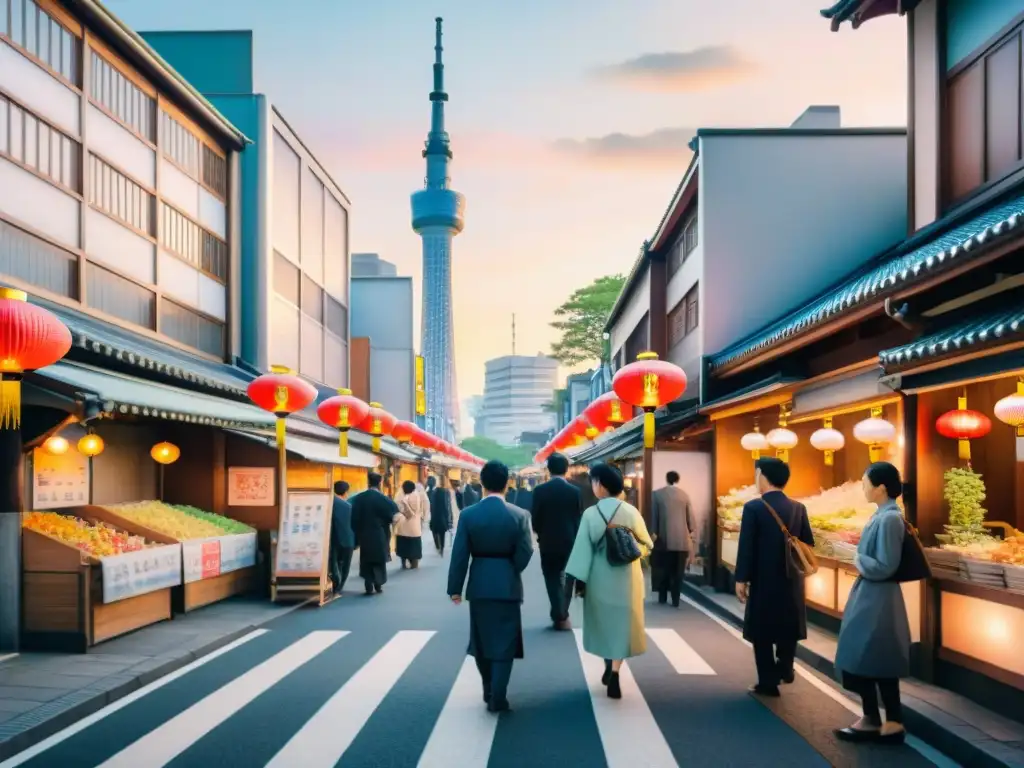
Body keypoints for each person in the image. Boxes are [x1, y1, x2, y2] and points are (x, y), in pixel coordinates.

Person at [833, 462, 911, 744]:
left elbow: (886, 565)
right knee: (872, 657)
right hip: (872, 595)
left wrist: (854, 555)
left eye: (866, 483)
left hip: (877, 598)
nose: (863, 488)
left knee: (870, 656)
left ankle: (880, 720)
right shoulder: (883, 515)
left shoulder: (890, 519)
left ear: (881, 488)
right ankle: (884, 721)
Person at [447, 460, 534, 713]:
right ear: (507, 483)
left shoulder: (469, 515)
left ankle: (487, 687)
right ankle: (499, 694)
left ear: (482, 484)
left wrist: (455, 588)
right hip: (507, 585)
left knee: (481, 641)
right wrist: (511, 567)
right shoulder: (519, 515)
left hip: (480, 584)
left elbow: (460, 555)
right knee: (505, 642)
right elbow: (526, 551)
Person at [566, 462, 653, 700]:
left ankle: (607, 666)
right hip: (627, 580)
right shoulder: (631, 512)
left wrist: (576, 580)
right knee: (622, 627)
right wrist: (634, 553)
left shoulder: (591, 514)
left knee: (605, 625)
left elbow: (581, 551)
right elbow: (647, 544)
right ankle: (615, 671)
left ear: (600, 486)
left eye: (593, 481)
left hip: (599, 579)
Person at [734, 457, 815, 697]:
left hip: (764, 579)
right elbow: (808, 543)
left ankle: (768, 682)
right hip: (792, 579)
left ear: (762, 475)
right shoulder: (799, 508)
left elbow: (746, 546)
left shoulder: (754, 508)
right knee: (788, 624)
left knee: (762, 630)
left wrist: (741, 578)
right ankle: (786, 667)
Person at [531, 452, 583, 630]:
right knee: (567, 578)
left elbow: (535, 519)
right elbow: (578, 518)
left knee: (552, 578)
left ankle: (559, 614)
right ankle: (561, 614)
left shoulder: (539, 491)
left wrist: (540, 533)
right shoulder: (575, 492)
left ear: (548, 469)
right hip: (570, 541)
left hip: (548, 541)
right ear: (566, 469)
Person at [650, 470, 696, 607]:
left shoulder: (657, 495)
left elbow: (654, 517)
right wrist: (690, 531)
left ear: (666, 479)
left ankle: (662, 597)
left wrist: (654, 533)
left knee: (663, 569)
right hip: (681, 542)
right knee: (678, 571)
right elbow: (691, 521)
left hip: (663, 540)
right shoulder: (684, 495)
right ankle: (676, 599)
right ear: (678, 479)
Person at [351, 472, 398, 595]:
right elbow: (393, 512)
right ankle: (378, 583)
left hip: (364, 533)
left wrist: (357, 531)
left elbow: (354, 517)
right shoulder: (382, 498)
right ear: (380, 483)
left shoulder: (359, 498)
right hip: (379, 532)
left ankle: (368, 583)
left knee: (366, 558)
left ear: (368, 482)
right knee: (378, 557)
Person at [394, 479, 428, 569]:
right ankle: (413, 563)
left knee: (403, 545)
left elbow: (405, 511)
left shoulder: (404, 496)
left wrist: (404, 505)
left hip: (404, 526)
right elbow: (425, 505)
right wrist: (424, 517)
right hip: (413, 527)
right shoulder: (418, 495)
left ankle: (406, 562)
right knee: (413, 546)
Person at [328, 481, 354, 596]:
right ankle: (339, 585)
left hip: (332, 539)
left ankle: (335, 582)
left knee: (334, 562)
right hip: (348, 539)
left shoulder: (329, 503)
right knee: (345, 564)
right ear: (346, 491)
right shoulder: (348, 506)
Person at [429, 475, 452, 556]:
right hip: (442, 517)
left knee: (434, 531)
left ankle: (438, 546)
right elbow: (447, 507)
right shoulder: (445, 493)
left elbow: (431, 506)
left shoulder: (432, 493)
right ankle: (441, 547)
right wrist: (449, 519)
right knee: (442, 533)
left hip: (434, 517)